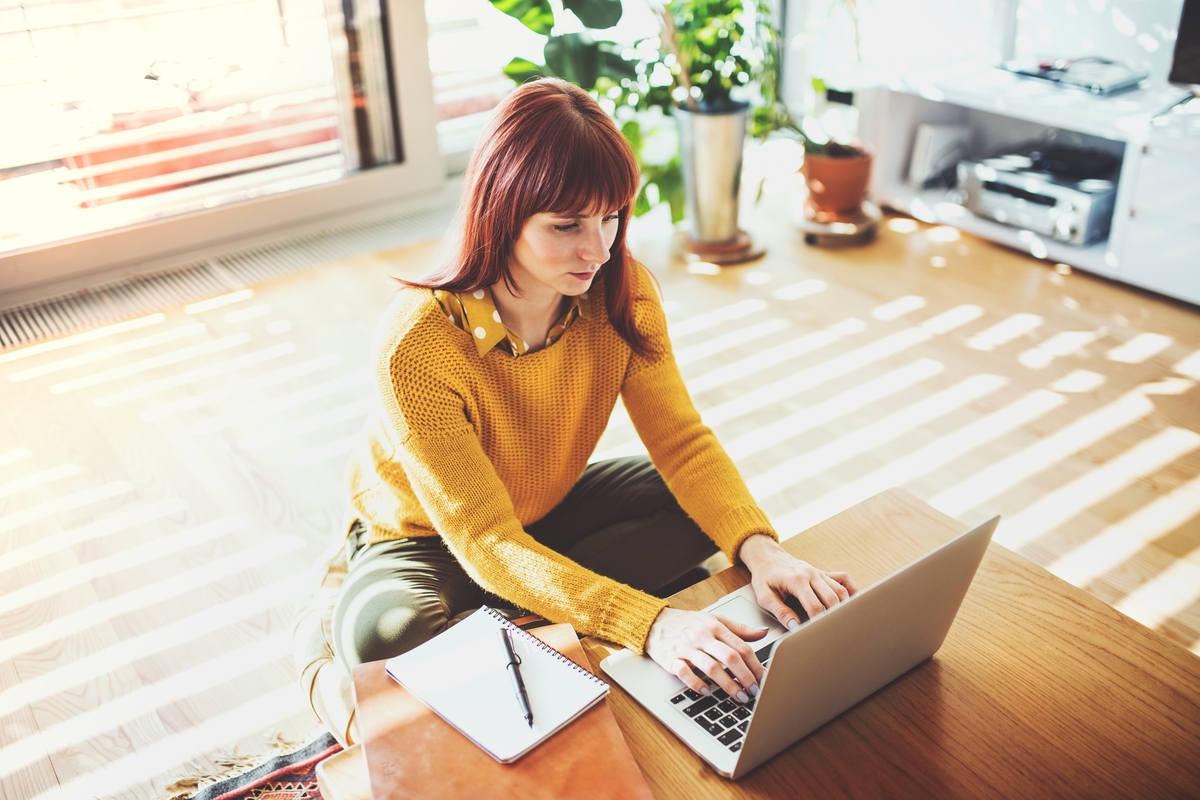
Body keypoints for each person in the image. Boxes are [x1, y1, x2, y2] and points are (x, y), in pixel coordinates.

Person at [332, 78, 857, 704]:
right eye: (566, 225)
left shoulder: (623, 293)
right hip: (429, 538)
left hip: (547, 512)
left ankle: (536, 598)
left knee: (699, 507)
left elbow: (684, 444)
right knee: (387, 634)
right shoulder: (416, 344)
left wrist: (763, 551)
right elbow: (486, 537)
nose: (598, 248)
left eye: (611, 217)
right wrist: (651, 623)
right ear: (501, 212)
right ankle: (547, 594)